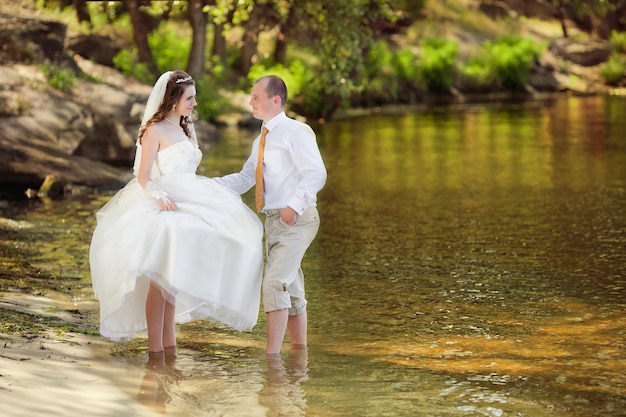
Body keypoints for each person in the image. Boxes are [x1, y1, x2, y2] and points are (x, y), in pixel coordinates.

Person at [89, 70, 264, 358]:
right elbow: (143, 175)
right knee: (159, 279)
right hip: (163, 201)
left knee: (175, 278)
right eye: (190, 98)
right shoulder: (154, 130)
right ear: (173, 100)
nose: (195, 103)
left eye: (194, 98)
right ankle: (156, 349)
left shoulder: (186, 127)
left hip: (191, 197)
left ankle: (170, 347)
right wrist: (158, 195)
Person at [214, 75, 327, 355]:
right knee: (292, 287)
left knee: (274, 283)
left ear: (275, 100)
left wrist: (293, 208)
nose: (250, 102)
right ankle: (300, 356)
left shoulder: (296, 132)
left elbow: (316, 173)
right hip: (274, 222)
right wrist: (206, 185)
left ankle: (272, 360)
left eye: (256, 97)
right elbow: (244, 179)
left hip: (296, 220)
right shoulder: (260, 140)